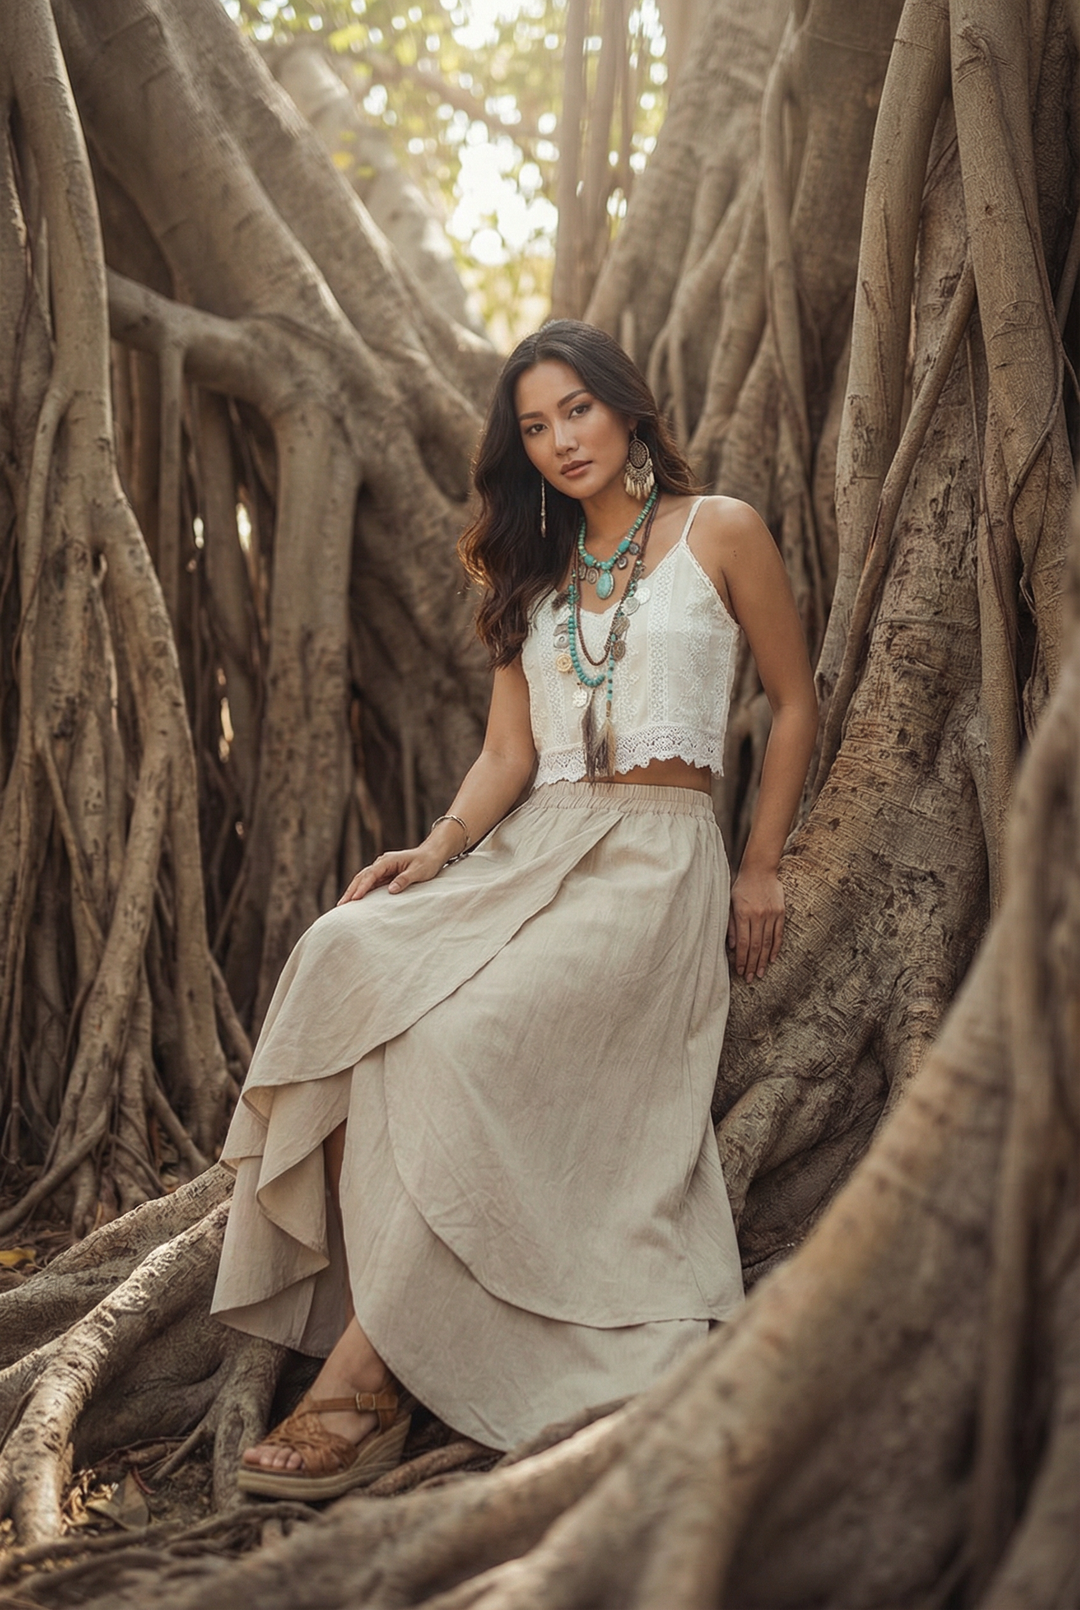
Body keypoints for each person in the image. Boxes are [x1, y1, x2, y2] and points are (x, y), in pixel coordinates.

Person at [212, 320, 818, 1500]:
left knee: (454, 1041)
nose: (559, 443)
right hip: (530, 848)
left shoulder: (722, 530)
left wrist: (760, 864)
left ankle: (369, 1375)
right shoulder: (527, 570)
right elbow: (506, 754)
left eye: (576, 412)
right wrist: (434, 849)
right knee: (346, 953)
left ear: (626, 406)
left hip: (652, 864)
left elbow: (792, 703)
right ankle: (388, 1327)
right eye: (534, 428)